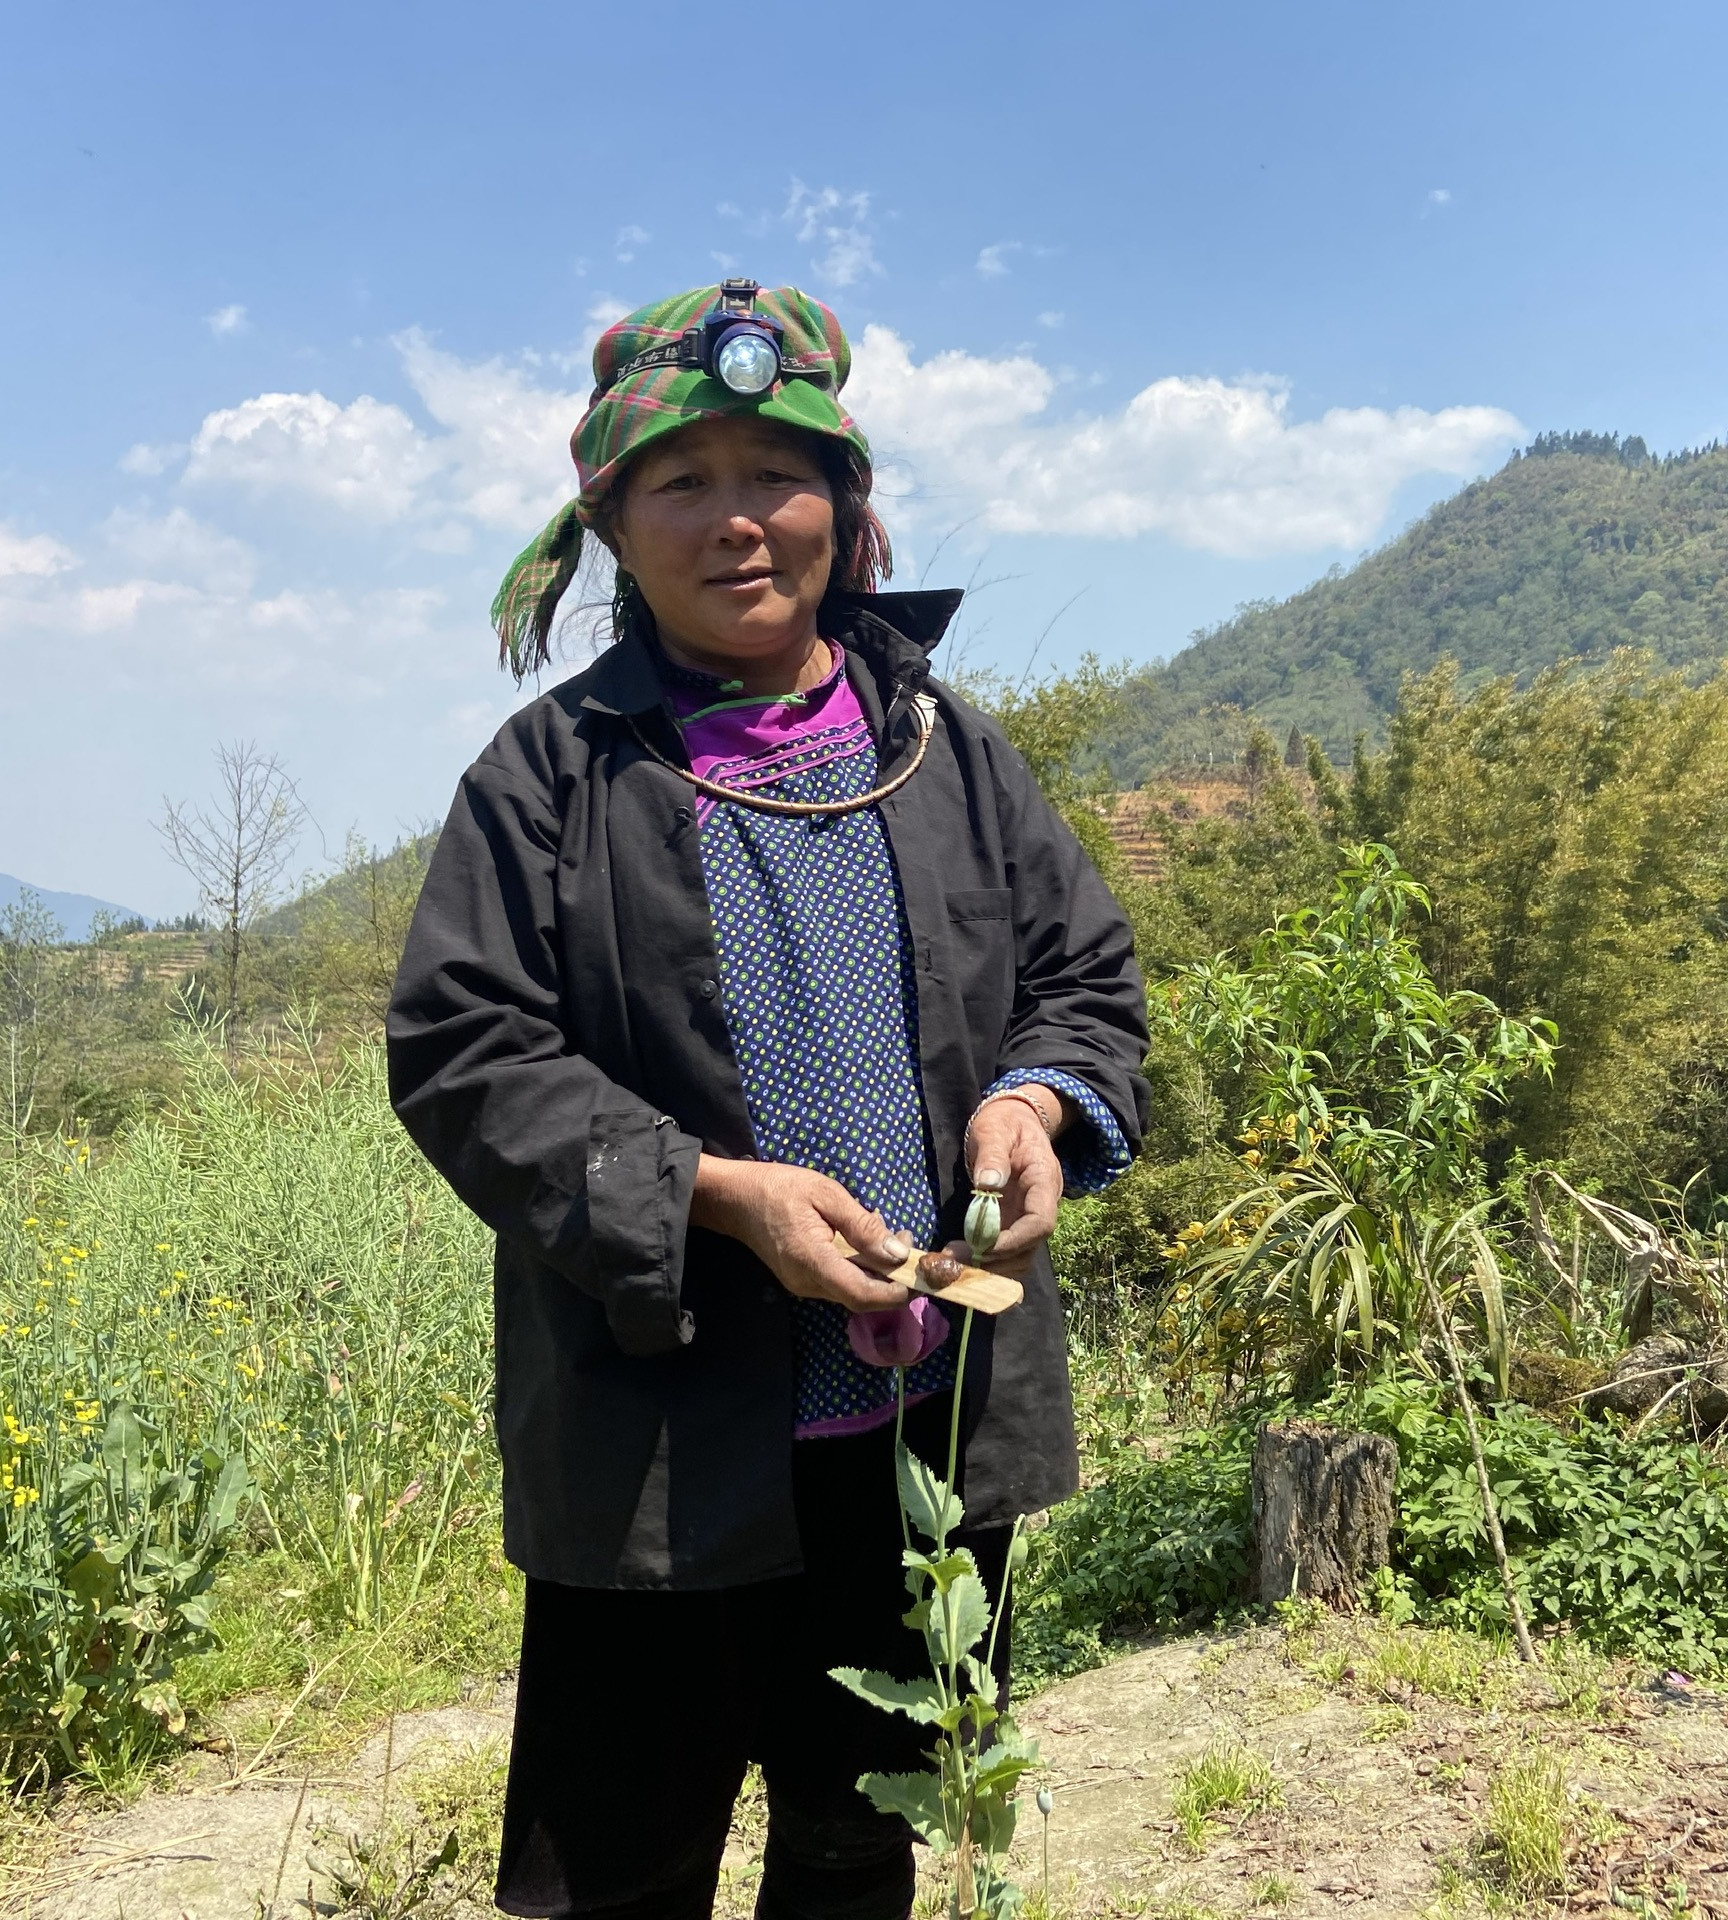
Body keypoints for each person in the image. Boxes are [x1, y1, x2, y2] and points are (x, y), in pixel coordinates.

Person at [386, 279, 1150, 1920]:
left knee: (858, 1828)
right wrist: (717, 1198)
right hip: (662, 1438)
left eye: (777, 475)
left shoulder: (948, 749)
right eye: (684, 483)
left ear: (848, 507)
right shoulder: (550, 780)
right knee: (619, 1866)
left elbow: (1081, 975)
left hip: (914, 1433)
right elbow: (463, 1048)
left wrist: (1038, 1105)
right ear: (608, 520)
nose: (739, 521)